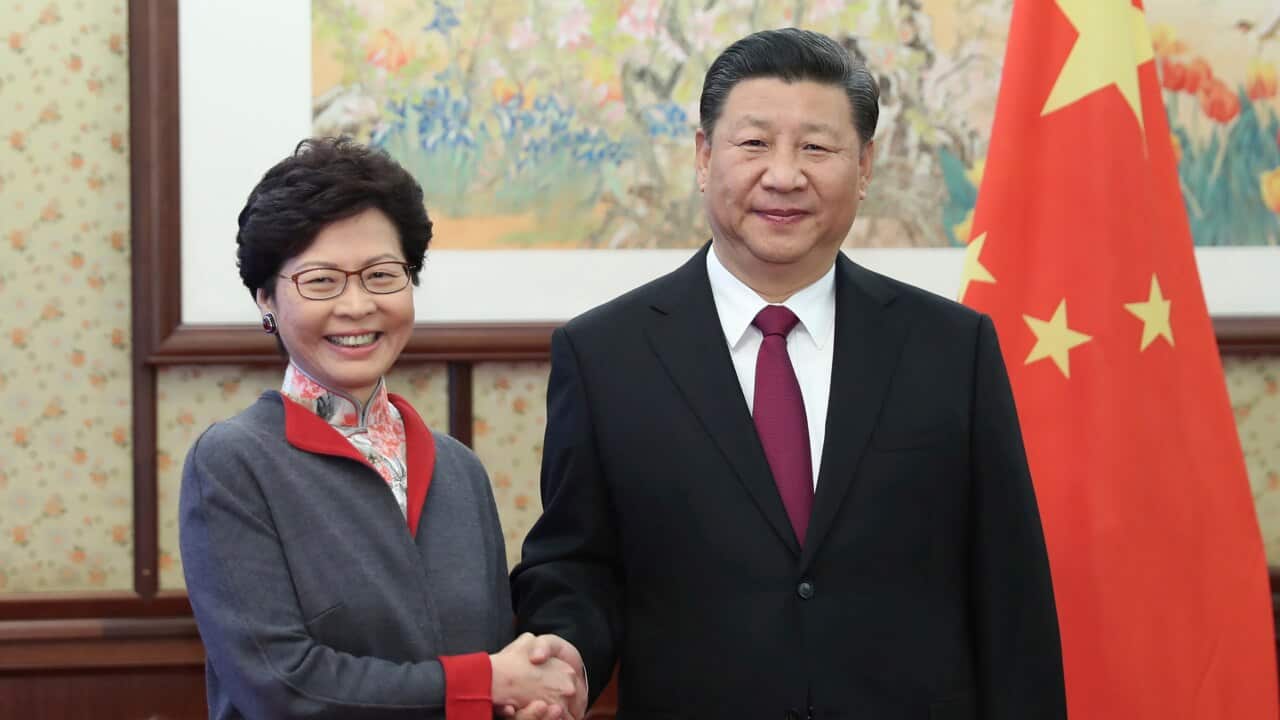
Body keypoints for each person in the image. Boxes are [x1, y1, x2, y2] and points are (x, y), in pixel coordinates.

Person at [511, 28, 1068, 719]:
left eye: (816, 148)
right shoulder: (604, 355)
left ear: (863, 167)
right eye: (754, 143)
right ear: (704, 156)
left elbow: (1010, 590)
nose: (783, 175)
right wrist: (564, 655)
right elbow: (577, 565)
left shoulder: (953, 348)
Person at [179, 138, 584, 720]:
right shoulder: (233, 462)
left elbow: (491, 668)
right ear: (266, 299)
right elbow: (279, 686)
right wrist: (488, 682)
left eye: (381, 275)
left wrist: (524, 703)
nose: (357, 305)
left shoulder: (458, 469)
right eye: (321, 281)